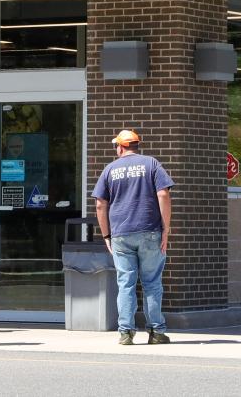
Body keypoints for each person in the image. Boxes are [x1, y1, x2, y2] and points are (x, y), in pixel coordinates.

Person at [93, 129, 174, 346]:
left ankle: (126, 333)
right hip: (149, 231)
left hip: (120, 233)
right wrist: (165, 229)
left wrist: (106, 235)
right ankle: (156, 332)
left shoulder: (110, 169)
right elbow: (163, 194)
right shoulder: (151, 164)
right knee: (152, 283)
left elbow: (100, 204)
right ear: (136, 145)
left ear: (120, 147)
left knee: (126, 283)